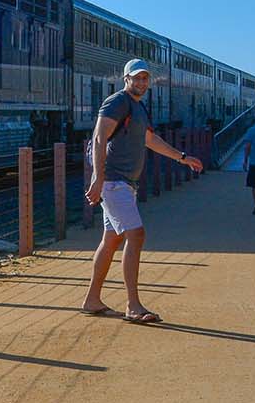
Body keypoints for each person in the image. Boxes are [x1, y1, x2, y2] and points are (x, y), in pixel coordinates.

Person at [81, 58, 205, 324]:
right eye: (136, 78)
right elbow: (99, 136)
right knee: (136, 235)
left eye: (145, 78)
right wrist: (98, 177)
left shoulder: (139, 107)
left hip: (125, 183)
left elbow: (150, 140)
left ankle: (92, 299)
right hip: (114, 181)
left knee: (112, 240)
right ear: (126, 79)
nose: (141, 82)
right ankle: (133, 306)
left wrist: (182, 157)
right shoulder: (118, 101)